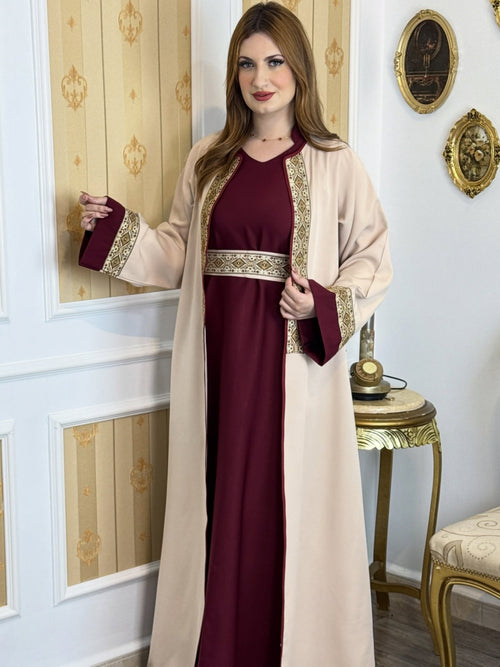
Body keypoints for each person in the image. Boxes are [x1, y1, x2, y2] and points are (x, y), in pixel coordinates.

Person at [79, 3, 392, 666]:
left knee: (280, 509)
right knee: (218, 505)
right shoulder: (209, 159)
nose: (261, 78)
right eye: (247, 64)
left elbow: (374, 257)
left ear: (298, 69)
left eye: (274, 62)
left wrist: (320, 303)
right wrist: (112, 229)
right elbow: (175, 252)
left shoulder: (335, 162)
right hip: (217, 366)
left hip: (290, 368)